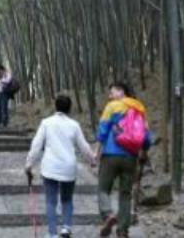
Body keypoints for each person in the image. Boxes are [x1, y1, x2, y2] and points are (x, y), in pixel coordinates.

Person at [24, 93, 96, 238]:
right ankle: (66, 228)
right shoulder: (74, 125)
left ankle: (52, 233)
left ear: (55, 106)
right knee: (67, 199)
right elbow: (84, 146)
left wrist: (29, 164)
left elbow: (36, 145)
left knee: (51, 201)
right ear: (70, 108)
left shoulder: (46, 123)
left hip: (50, 168)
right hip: (68, 168)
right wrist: (92, 160)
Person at [94, 80, 152, 238]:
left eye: (112, 92)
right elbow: (146, 135)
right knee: (125, 194)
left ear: (121, 91)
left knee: (103, 189)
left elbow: (103, 130)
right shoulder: (139, 107)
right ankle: (123, 231)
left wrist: (96, 151)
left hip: (111, 155)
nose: (110, 95)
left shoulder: (112, 107)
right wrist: (144, 151)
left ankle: (108, 215)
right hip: (130, 157)